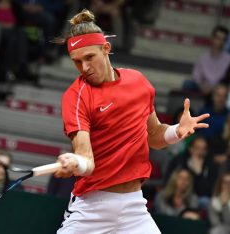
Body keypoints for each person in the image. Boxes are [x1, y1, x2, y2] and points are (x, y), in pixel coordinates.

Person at [52, 9, 210, 233]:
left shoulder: (138, 83)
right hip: (92, 207)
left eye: (90, 58)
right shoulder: (76, 96)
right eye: (77, 61)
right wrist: (76, 161)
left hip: (134, 206)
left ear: (106, 48)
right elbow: (86, 158)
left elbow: (154, 136)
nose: (84, 68)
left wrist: (177, 131)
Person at [183, 25, 230, 96]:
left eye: (223, 39)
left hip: (219, 89)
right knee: (187, 84)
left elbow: (226, 81)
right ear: (212, 38)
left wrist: (214, 88)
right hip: (203, 87)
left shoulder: (228, 59)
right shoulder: (203, 58)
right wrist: (203, 87)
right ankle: (188, 106)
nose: (220, 42)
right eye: (218, 38)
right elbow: (196, 77)